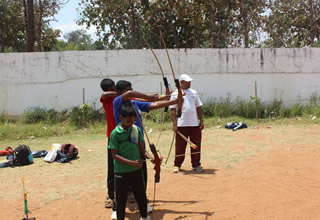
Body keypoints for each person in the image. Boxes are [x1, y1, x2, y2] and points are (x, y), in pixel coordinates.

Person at [113, 80, 182, 213]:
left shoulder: (135, 104)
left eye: (131, 88)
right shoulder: (117, 102)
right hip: (124, 149)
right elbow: (131, 93)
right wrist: (148, 96)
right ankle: (117, 208)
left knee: (141, 178)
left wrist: (174, 101)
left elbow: (155, 105)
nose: (130, 92)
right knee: (122, 182)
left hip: (139, 145)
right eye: (127, 90)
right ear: (119, 92)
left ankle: (143, 203)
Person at [109, 103, 152, 220]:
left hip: (136, 170)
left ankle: (144, 216)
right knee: (121, 198)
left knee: (141, 195)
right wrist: (130, 162)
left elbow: (142, 149)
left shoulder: (136, 129)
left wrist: (151, 158)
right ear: (121, 118)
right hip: (121, 171)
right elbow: (114, 155)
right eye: (128, 121)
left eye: (133, 121)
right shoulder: (115, 133)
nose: (130, 124)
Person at [170, 74, 204, 173]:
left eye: (189, 81)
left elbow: (199, 107)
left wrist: (201, 121)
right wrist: (175, 124)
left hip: (194, 124)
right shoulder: (175, 94)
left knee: (196, 145)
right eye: (186, 81)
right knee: (180, 146)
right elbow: (172, 110)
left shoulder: (193, 92)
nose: (189, 83)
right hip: (182, 124)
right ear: (181, 82)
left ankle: (196, 164)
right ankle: (177, 165)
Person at [99, 78, 118, 219]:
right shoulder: (106, 98)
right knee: (112, 167)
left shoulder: (120, 97)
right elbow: (105, 95)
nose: (116, 88)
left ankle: (129, 192)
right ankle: (111, 195)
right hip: (112, 136)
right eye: (113, 87)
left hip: (126, 136)